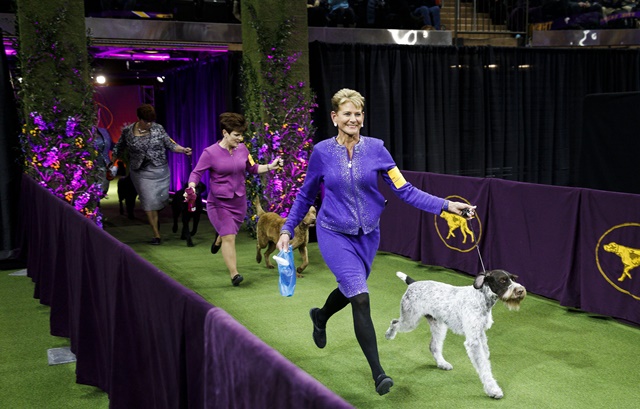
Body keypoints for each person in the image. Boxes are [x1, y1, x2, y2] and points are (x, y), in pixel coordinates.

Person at [276, 88, 476, 395]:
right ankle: (379, 373)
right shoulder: (322, 152)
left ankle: (321, 315)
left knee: (350, 289)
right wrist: (287, 229)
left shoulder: (377, 150)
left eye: (358, 114)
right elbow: (305, 195)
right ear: (335, 117)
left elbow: (405, 190)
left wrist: (447, 205)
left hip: (368, 236)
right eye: (347, 113)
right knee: (360, 296)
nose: (353, 119)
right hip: (334, 233)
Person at [187, 112, 283, 287]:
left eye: (241, 135)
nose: (240, 138)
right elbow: (196, 172)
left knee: (228, 234)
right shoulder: (210, 153)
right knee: (229, 236)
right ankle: (234, 274)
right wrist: (192, 186)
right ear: (225, 133)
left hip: (239, 202)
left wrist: (271, 166)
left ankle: (219, 239)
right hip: (219, 203)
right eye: (236, 135)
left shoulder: (243, 149)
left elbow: (252, 168)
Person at [112, 104, 192, 244]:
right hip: (140, 172)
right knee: (148, 201)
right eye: (146, 121)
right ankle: (157, 235)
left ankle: (155, 216)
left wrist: (183, 150)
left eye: (151, 121)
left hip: (160, 170)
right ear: (139, 119)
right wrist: (111, 161)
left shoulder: (158, 128)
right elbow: (119, 147)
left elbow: (170, 144)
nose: (149, 124)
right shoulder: (127, 131)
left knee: (159, 201)